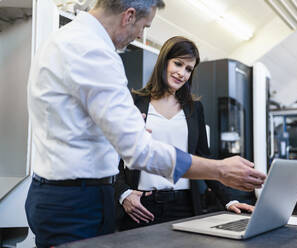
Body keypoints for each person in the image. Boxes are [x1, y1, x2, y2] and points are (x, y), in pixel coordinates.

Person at [25, 0, 266, 247]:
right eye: (144, 26)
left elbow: (78, 125)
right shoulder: (93, 52)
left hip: (72, 194)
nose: (141, 34)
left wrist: (124, 127)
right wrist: (220, 170)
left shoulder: (66, 39)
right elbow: (139, 151)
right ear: (129, 16)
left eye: (188, 69)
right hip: (77, 201)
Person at [115, 36, 254, 231]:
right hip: (141, 204)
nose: (182, 73)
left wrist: (229, 200)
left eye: (188, 69)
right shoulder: (134, 102)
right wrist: (123, 194)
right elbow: (113, 155)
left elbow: (203, 158)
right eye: (178, 64)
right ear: (164, 61)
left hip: (185, 205)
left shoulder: (194, 108)